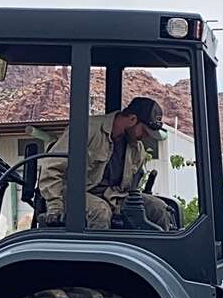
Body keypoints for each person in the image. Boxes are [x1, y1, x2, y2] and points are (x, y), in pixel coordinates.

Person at [37, 97, 176, 230]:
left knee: (160, 208)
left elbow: (132, 187)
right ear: (132, 119)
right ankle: (98, 253)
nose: (144, 137)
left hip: (114, 196)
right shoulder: (87, 130)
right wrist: (55, 205)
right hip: (75, 194)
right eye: (144, 131)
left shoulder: (137, 148)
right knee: (100, 212)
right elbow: (51, 167)